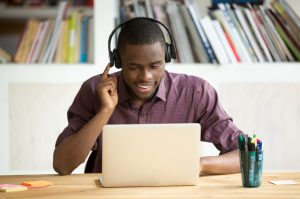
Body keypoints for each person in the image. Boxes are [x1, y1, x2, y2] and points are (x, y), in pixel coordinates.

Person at [53, 18, 242, 176]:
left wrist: (199, 165)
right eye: (134, 67)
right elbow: (62, 165)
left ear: (167, 57)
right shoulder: (94, 89)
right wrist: (105, 111)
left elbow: (245, 155)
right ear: (118, 61)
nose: (145, 77)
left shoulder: (195, 92)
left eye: (155, 66)